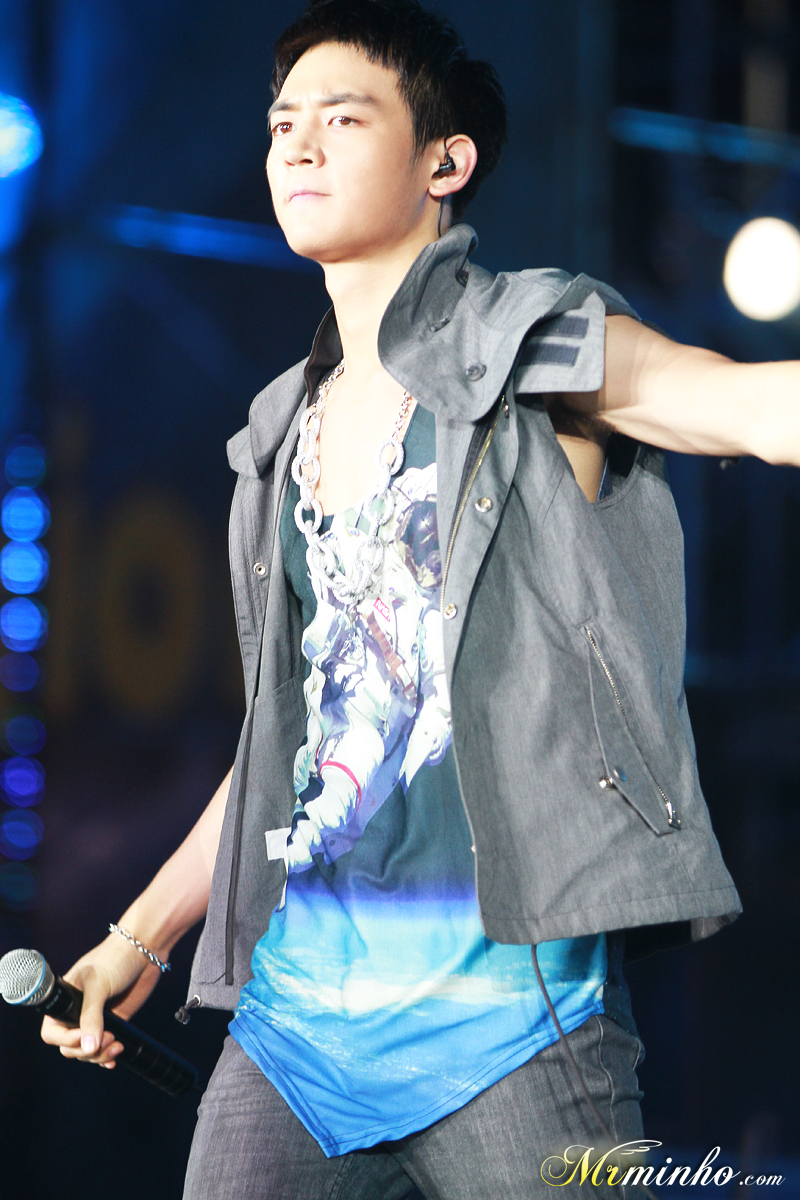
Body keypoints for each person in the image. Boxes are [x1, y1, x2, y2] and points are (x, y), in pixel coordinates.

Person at [40, 1, 800, 1196]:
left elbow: (748, 406)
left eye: (342, 120)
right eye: (282, 123)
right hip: (296, 1032)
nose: (297, 145)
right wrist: (142, 932)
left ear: (443, 163)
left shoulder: (532, 344)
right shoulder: (277, 436)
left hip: (512, 1032)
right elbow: (289, 745)